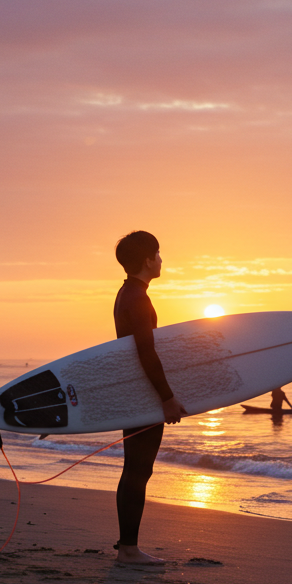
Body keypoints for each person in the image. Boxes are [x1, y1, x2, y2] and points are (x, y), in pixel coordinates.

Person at [112, 230, 187, 565]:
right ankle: (128, 549)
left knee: (135, 469)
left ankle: (127, 546)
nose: (161, 259)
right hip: (143, 395)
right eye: (158, 253)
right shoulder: (138, 299)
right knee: (138, 470)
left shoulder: (126, 292)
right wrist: (167, 398)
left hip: (133, 392)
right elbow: (146, 353)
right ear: (147, 259)